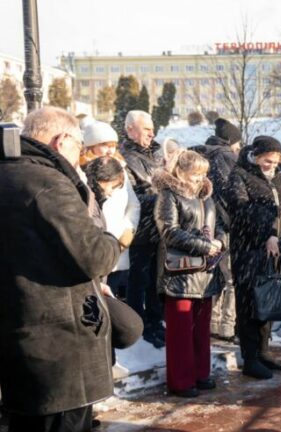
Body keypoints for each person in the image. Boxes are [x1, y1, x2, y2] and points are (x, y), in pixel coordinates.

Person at [0, 107, 121, 432]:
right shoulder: (48, 182)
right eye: (78, 146)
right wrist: (113, 238)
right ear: (61, 139)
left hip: (19, 335)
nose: (78, 155)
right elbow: (93, 256)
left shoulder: (8, 174)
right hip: (60, 348)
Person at [227, 136, 281, 379]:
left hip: (275, 248)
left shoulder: (278, 177)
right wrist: (267, 234)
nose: (271, 166)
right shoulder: (240, 175)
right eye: (267, 161)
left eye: (276, 162)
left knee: (268, 298)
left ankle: (263, 350)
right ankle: (250, 357)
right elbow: (242, 210)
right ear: (256, 156)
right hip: (249, 249)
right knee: (249, 303)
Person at [153, 150, 225, 397]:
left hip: (205, 270)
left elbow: (221, 226)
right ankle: (181, 380)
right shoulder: (168, 195)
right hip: (180, 272)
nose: (199, 179)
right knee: (180, 331)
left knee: (201, 328)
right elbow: (169, 231)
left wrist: (221, 242)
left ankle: (200, 373)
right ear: (180, 172)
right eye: (195, 174)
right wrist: (206, 246)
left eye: (203, 173)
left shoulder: (207, 197)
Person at [191, 118, 242, 341]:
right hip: (225, 225)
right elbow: (232, 192)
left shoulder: (202, 154)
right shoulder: (225, 156)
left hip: (206, 223)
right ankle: (227, 326)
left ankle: (212, 322)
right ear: (232, 141)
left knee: (215, 276)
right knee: (232, 278)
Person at [81, 121, 141, 301]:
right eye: (104, 145)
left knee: (117, 300)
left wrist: (129, 230)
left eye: (113, 146)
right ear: (91, 145)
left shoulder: (120, 168)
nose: (110, 150)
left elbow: (134, 204)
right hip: (94, 248)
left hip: (119, 248)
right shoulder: (81, 171)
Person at [120, 110, 165, 347]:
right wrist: (162, 199)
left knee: (157, 278)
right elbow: (131, 195)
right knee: (138, 279)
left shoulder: (158, 153)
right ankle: (139, 325)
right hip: (140, 227)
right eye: (146, 129)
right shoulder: (124, 156)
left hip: (161, 226)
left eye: (152, 128)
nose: (152, 134)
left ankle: (156, 321)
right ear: (130, 130)